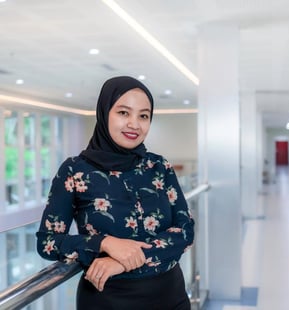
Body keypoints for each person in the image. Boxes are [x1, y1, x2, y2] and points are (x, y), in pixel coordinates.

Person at [36, 76, 195, 310]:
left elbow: (185, 231)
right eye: (123, 113)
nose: (134, 124)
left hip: (170, 296)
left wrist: (122, 263)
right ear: (104, 113)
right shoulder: (75, 171)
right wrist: (104, 243)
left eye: (143, 115)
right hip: (108, 300)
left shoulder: (159, 166)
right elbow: (48, 243)